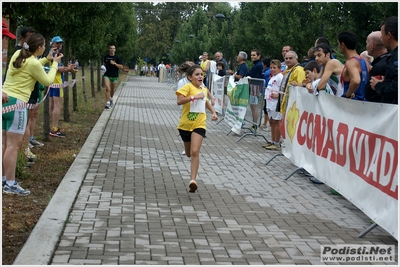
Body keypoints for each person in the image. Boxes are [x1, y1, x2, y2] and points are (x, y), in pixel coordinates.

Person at [2, 33, 62, 195]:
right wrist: (55, 64)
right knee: (13, 146)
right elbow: (48, 81)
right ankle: (10, 183)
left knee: (4, 144)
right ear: (40, 48)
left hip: (4, 101)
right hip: (17, 105)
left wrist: (46, 59)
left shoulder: (18, 54)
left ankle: (3, 179)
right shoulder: (33, 63)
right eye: (43, 46)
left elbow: (32, 65)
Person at [176, 65, 218, 193]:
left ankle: (193, 180)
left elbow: (205, 101)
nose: (200, 76)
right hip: (185, 125)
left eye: (202, 74)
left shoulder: (204, 89)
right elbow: (179, 101)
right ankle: (188, 156)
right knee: (189, 153)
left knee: (195, 152)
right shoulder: (187, 87)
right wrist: (194, 97)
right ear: (190, 77)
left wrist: (213, 112)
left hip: (199, 124)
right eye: (197, 74)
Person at [49, 36, 78, 137]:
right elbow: (57, 68)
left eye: (60, 43)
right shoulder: (53, 53)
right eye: (57, 43)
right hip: (56, 82)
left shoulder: (53, 53)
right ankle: (54, 129)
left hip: (51, 81)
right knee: (57, 106)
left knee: (52, 106)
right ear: (52, 43)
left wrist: (68, 68)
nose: (59, 45)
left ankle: (49, 127)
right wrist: (68, 69)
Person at [370, 16, 398, 104]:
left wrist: (378, 85)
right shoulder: (392, 55)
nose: (381, 38)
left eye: (382, 34)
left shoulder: (396, 57)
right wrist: (386, 81)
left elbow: (396, 87)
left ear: (389, 35)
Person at [338, 31, 369, 100]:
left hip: (352, 104)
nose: (338, 46)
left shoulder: (351, 62)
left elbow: (356, 81)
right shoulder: (364, 60)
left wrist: (347, 95)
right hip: (363, 102)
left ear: (343, 45)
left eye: (338, 44)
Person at [262, 60, 283, 151]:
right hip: (270, 102)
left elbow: (284, 89)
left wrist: (279, 95)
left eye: (274, 68)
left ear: (279, 68)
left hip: (275, 103)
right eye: (271, 68)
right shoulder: (273, 77)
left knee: (276, 122)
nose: (272, 69)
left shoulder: (280, 77)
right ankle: (273, 140)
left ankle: (277, 142)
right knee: (271, 122)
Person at [364, 31, 389, 102]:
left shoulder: (379, 66)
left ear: (371, 47)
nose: (366, 46)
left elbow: (370, 93)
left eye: (367, 43)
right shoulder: (392, 59)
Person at [244, 48, 264, 131]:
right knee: (253, 107)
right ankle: (254, 124)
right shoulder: (257, 64)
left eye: (254, 55)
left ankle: (255, 125)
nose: (252, 57)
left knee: (254, 107)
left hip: (255, 86)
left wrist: (246, 75)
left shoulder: (259, 65)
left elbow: (252, 74)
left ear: (258, 56)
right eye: (251, 55)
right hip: (254, 86)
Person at [103, 44, 123, 109]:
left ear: (115, 50)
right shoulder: (106, 57)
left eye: (113, 48)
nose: (112, 49)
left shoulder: (117, 58)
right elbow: (104, 65)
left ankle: (111, 98)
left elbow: (121, 66)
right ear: (109, 49)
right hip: (107, 75)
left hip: (114, 75)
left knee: (112, 89)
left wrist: (114, 63)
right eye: (111, 48)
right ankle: (108, 102)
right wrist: (102, 68)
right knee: (107, 88)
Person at [261, 57, 272, 131]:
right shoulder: (266, 71)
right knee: (265, 108)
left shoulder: (267, 72)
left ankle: (269, 124)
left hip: (269, 91)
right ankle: (265, 123)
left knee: (268, 108)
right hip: (267, 91)